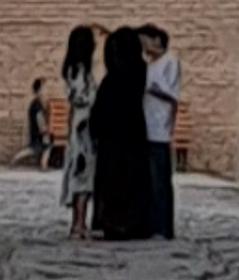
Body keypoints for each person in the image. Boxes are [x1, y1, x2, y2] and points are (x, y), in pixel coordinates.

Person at [88, 24, 155, 241]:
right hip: (134, 133)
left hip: (112, 138)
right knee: (133, 180)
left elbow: (99, 112)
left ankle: (113, 223)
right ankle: (135, 223)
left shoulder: (111, 82)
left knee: (113, 180)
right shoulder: (139, 74)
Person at [58, 27, 99, 240]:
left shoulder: (70, 70)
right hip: (84, 129)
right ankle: (79, 223)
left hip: (76, 126)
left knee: (77, 174)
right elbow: (84, 98)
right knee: (83, 177)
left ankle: (77, 222)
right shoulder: (82, 72)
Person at [142, 26, 181, 241]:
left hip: (159, 127)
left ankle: (164, 226)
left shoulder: (170, 61)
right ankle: (151, 223)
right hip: (146, 125)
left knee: (160, 180)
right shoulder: (149, 64)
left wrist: (153, 89)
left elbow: (172, 93)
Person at [17, 79, 53, 168]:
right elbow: (39, 119)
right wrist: (44, 130)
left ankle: (44, 165)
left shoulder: (37, 103)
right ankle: (43, 165)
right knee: (41, 147)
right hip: (37, 133)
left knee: (42, 147)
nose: (46, 91)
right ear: (39, 90)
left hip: (37, 133)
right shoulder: (37, 105)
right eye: (44, 88)